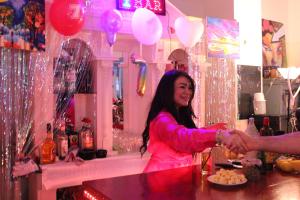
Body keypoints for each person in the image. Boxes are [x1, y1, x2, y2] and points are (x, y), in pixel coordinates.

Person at [140, 70, 247, 173]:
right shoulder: (162, 119)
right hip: (161, 179)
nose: (188, 92)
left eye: (190, 88)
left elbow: (190, 138)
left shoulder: (176, 115)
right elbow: (182, 137)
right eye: (182, 87)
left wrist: (214, 130)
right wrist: (217, 135)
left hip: (177, 178)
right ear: (168, 89)